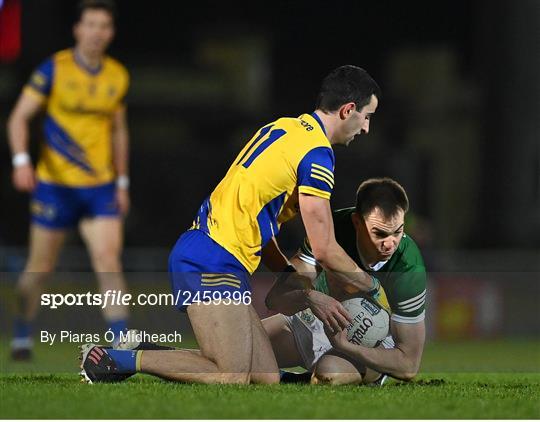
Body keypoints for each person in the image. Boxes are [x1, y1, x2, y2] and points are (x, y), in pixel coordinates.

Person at [81, 65, 386, 385]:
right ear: (348, 110)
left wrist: (287, 277)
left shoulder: (285, 129)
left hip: (213, 252)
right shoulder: (317, 154)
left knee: (264, 378)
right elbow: (324, 249)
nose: (366, 127)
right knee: (231, 375)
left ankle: (148, 351)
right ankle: (115, 359)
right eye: (367, 116)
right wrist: (373, 288)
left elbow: (255, 219)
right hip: (212, 258)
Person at [8, 0, 130, 360]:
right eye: (90, 24)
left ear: (111, 32)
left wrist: (122, 182)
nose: (97, 33)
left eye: (104, 26)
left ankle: (122, 344)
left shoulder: (117, 75)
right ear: (77, 29)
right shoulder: (54, 69)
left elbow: (119, 132)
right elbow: (18, 118)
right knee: (40, 267)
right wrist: (20, 161)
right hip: (55, 186)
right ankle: (21, 330)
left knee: (108, 260)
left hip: (100, 188)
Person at [265, 177, 426, 385]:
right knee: (238, 349)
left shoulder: (408, 267)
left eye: (398, 232)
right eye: (379, 233)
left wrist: (346, 346)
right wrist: (310, 297)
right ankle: (282, 377)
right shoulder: (330, 233)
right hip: (313, 319)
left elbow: (408, 365)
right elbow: (274, 300)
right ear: (357, 222)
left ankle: (292, 379)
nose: (390, 244)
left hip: (369, 344)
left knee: (327, 375)